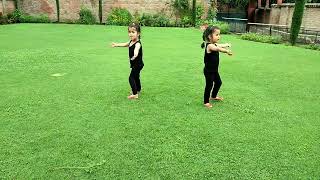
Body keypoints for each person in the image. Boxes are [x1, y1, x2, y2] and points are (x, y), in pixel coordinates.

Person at [201, 26, 233, 108]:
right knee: (209, 85)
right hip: (208, 71)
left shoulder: (214, 44)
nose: (219, 36)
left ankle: (214, 96)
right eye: (217, 34)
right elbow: (217, 48)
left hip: (214, 70)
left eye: (219, 34)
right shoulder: (209, 46)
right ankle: (206, 102)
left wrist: (226, 45)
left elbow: (220, 45)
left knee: (218, 82)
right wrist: (226, 51)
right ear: (209, 36)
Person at [112, 23, 144, 99]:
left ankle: (135, 94)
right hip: (136, 64)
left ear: (138, 34)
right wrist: (116, 45)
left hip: (137, 64)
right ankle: (138, 89)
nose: (131, 34)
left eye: (133, 32)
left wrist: (135, 55)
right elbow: (125, 44)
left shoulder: (137, 44)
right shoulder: (131, 42)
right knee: (136, 77)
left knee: (131, 78)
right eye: (129, 32)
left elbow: (136, 50)